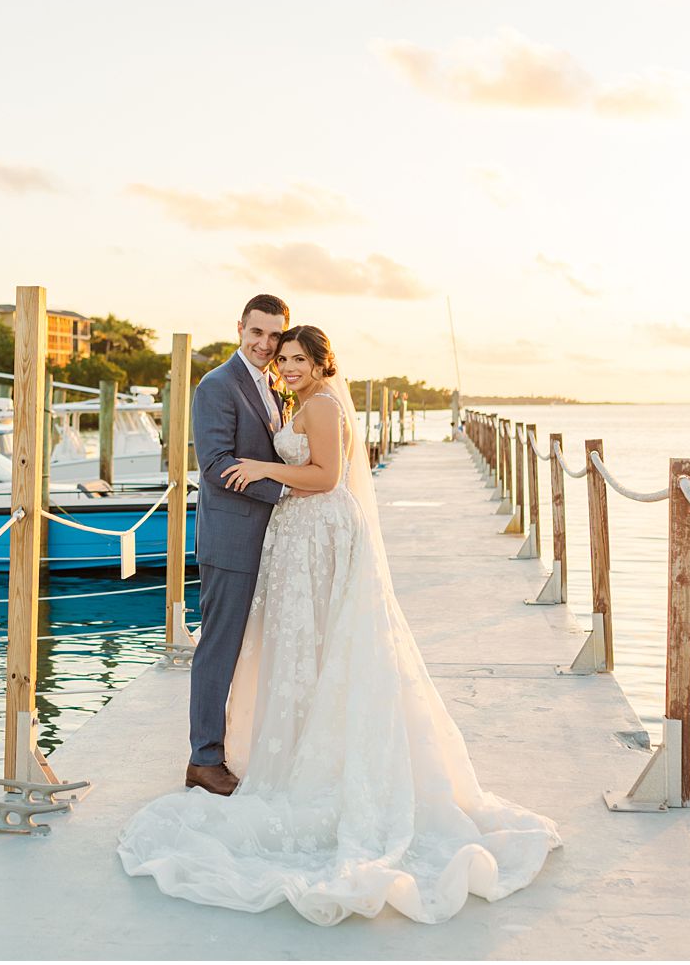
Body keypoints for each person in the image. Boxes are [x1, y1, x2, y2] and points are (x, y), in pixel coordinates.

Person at [117, 324, 561, 926]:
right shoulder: (269, 393)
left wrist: (260, 466)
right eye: (283, 354)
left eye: (298, 356)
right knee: (302, 646)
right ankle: (253, 749)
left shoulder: (321, 403)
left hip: (319, 528)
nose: (287, 363)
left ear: (321, 363)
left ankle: (310, 760)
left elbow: (325, 476)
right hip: (295, 534)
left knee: (321, 645)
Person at [177, 293, 296, 797]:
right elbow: (217, 464)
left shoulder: (273, 384)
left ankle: (242, 745)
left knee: (251, 648)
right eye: (257, 333)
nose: (266, 344)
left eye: (274, 335)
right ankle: (204, 760)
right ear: (240, 329)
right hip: (230, 538)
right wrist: (291, 491)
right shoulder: (216, 385)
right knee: (219, 648)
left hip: (267, 539)